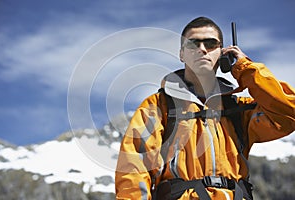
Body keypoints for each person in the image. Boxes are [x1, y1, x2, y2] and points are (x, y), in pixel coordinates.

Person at [115, 16, 295, 200]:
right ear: (182, 54)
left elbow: (289, 113)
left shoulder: (240, 109)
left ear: (223, 53)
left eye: (210, 43)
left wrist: (245, 68)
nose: (202, 49)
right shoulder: (158, 106)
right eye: (193, 44)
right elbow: (133, 169)